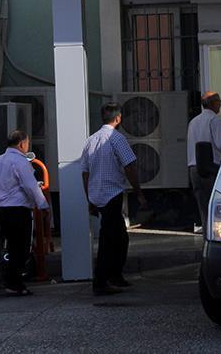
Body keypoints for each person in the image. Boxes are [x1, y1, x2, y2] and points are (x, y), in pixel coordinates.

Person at [81, 102, 143, 296]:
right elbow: (129, 166)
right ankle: (101, 281)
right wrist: (138, 191)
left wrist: (89, 198)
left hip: (96, 195)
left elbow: (85, 173)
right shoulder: (117, 139)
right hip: (112, 194)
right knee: (109, 239)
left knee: (120, 236)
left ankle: (115, 275)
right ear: (118, 118)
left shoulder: (91, 140)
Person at [0, 130, 50, 295]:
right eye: (27, 143)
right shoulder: (20, 162)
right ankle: (14, 282)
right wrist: (43, 205)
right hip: (18, 209)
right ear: (22, 144)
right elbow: (31, 186)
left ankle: (10, 280)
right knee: (20, 248)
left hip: (1, 210)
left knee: (11, 245)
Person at [186, 92, 221, 233]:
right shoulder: (215, 120)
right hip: (211, 168)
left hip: (194, 168)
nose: (220, 104)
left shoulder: (193, 122)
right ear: (213, 103)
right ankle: (218, 236)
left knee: (203, 209)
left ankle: (207, 236)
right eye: (219, 101)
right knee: (217, 206)